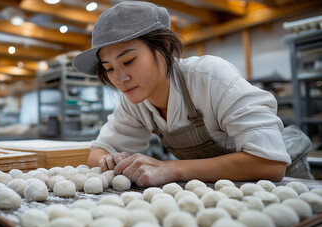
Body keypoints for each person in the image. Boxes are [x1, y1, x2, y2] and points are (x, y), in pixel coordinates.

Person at [72, 1, 291, 187]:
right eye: (109, 68)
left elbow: (270, 162)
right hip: (216, 190)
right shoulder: (134, 99)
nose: (119, 79)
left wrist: (172, 169)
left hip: (274, 186)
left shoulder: (210, 78)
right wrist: (110, 159)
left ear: (164, 48)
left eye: (128, 61)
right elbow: (97, 154)